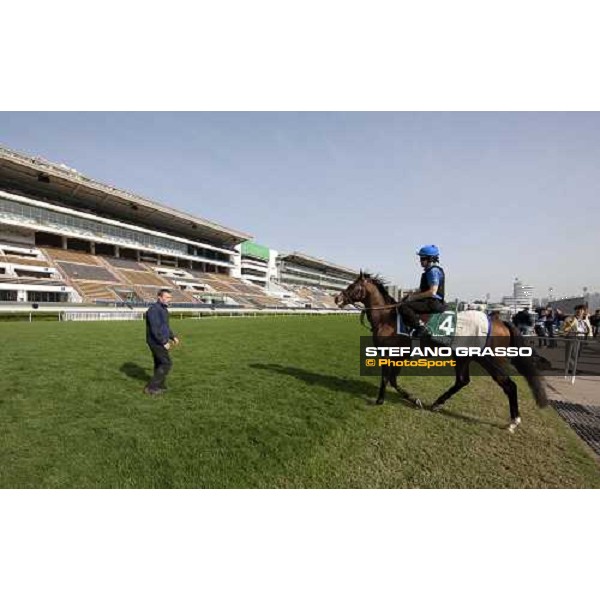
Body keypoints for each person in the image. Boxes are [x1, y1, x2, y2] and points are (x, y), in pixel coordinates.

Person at [398, 244, 446, 338]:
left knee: (404, 307)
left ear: (430, 259)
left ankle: (421, 328)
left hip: (433, 303)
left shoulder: (433, 271)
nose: (420, 261)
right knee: (404, 303)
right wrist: (409, 296)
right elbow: (421, 290)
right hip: (429, 301)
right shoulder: (428, 271)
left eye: (422, 258)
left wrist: (413, 297)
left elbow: (432, 292)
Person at [144, 289, 180, 395]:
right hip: (155, 341)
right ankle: (151, 387)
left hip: (159, 340)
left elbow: (164, 326)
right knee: (166, 363)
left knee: (159, 363)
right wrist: (163, 341)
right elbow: (155, 328)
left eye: (170, 297)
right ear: (159, 297)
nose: (170, 299)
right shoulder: (154, 309)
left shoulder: (164, 309)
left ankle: (159, 385)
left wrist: (172, 337)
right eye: (167, 297)